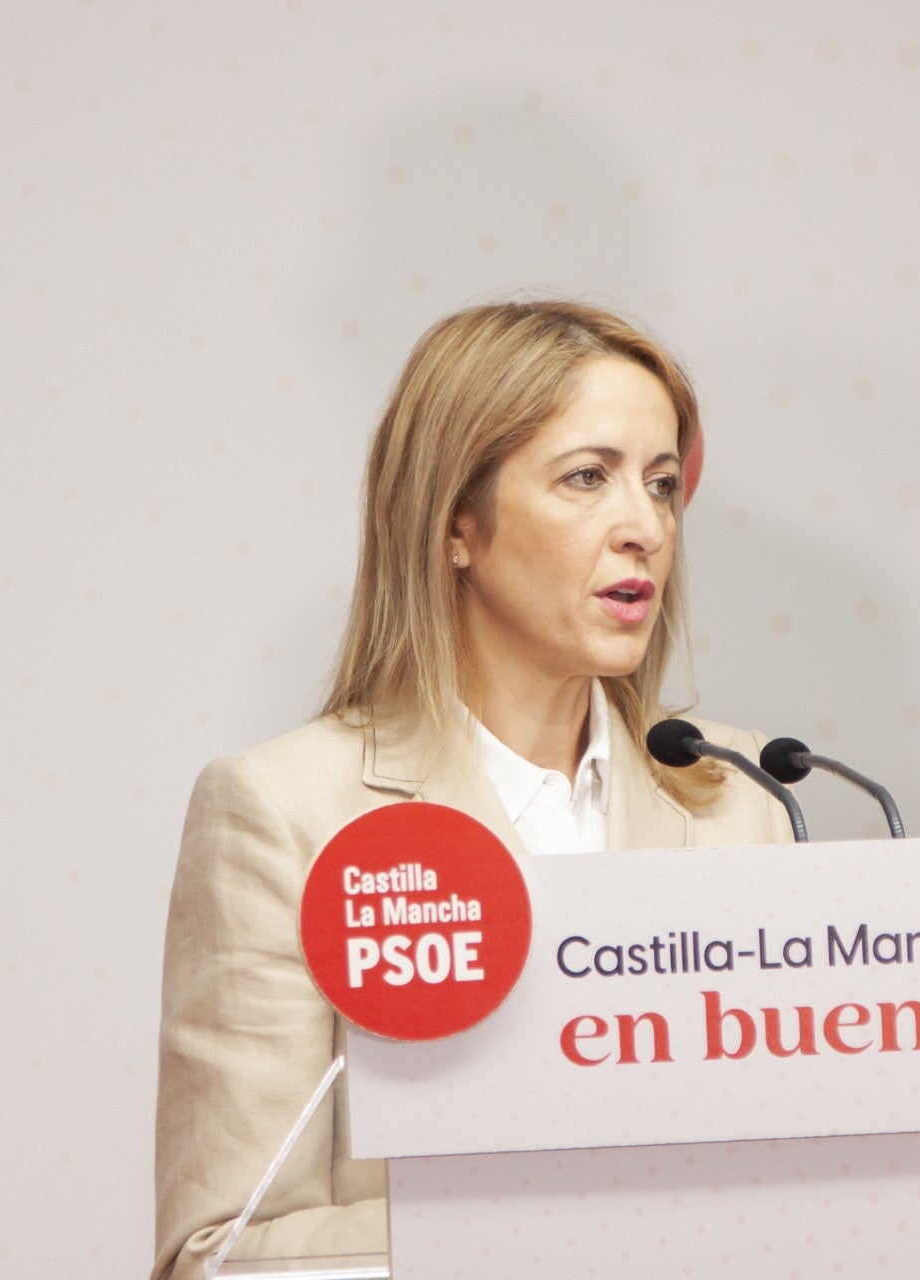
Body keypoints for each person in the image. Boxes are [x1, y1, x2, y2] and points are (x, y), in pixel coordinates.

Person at [152, 301, 791, 1280]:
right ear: (457, 524)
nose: (645, 528)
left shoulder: (743, 797)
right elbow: (219, 1254)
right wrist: (564, 1227)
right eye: (588, 477)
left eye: (662, 484)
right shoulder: (286, 813)